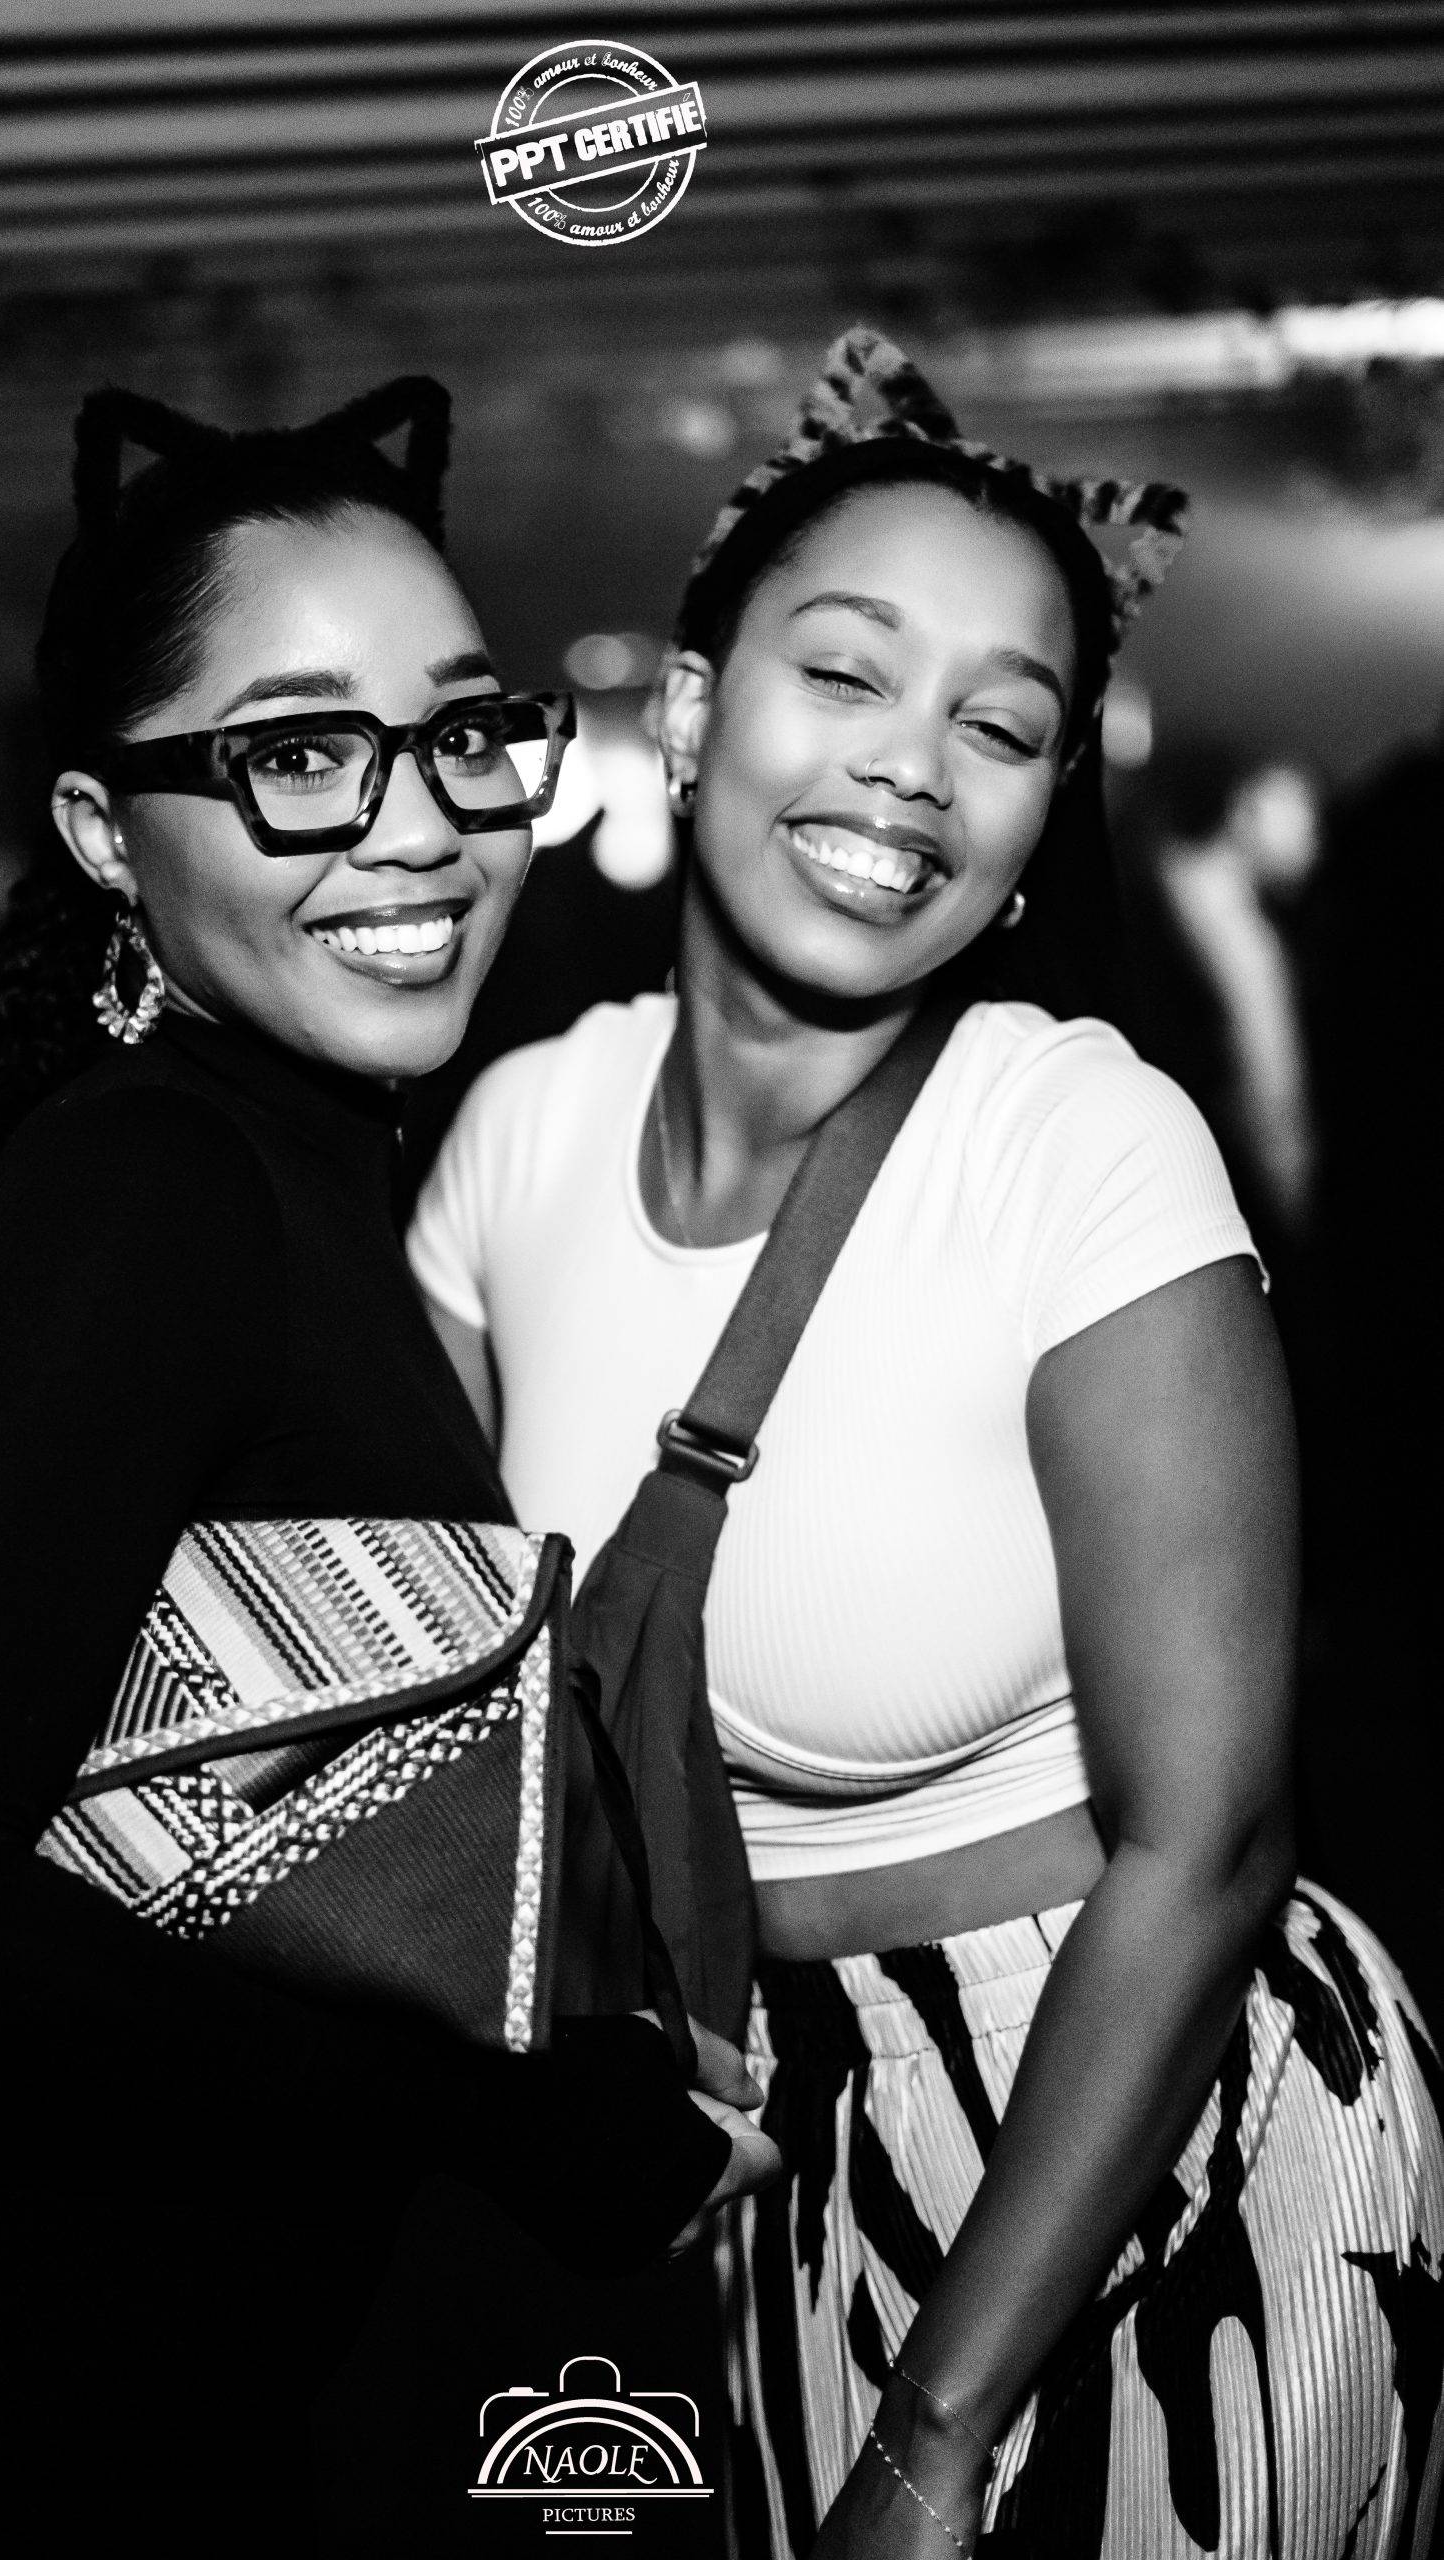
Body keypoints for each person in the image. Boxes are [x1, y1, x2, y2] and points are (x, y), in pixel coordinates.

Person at [408, 331, 1444, 2559]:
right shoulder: (516, 1137)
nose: (910, 765)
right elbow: (433, 1701)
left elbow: (1211, 1841)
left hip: (1157, 2149)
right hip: (752, 2157)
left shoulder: (1074, 1145)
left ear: (1040, 817)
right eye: (847, 672)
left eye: (997, 724)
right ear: (695, 712)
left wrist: (931, 2437)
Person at [0, 379, 774, 2536]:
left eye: (460, 733)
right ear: (106, 834)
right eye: (297, 755)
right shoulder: (156, 1183)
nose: (420, 830)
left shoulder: (286, 1163)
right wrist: (514, 2112)